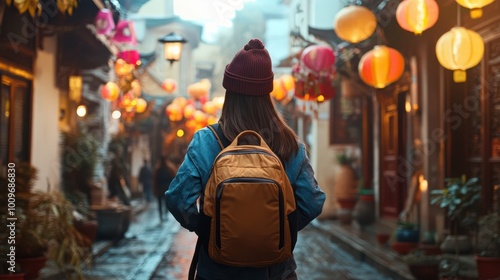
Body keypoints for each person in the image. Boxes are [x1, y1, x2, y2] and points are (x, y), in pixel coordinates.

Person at [166, 38, 326, 280]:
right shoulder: (289, 144)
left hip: (217, 272)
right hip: (276, 272)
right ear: (267, 94)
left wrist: (213, 230)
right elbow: (313, 202)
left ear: (230, 92)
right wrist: (276, 229)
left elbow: (179, 199)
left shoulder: (207, 141)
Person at [153, 156, 176, 221]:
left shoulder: (159, 169)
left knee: (162, 203)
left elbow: (155, 180)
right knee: (164, 203)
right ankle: (163, 215)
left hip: (162, 189)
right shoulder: (169, 168)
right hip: (165, 189)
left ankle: (162, 215)